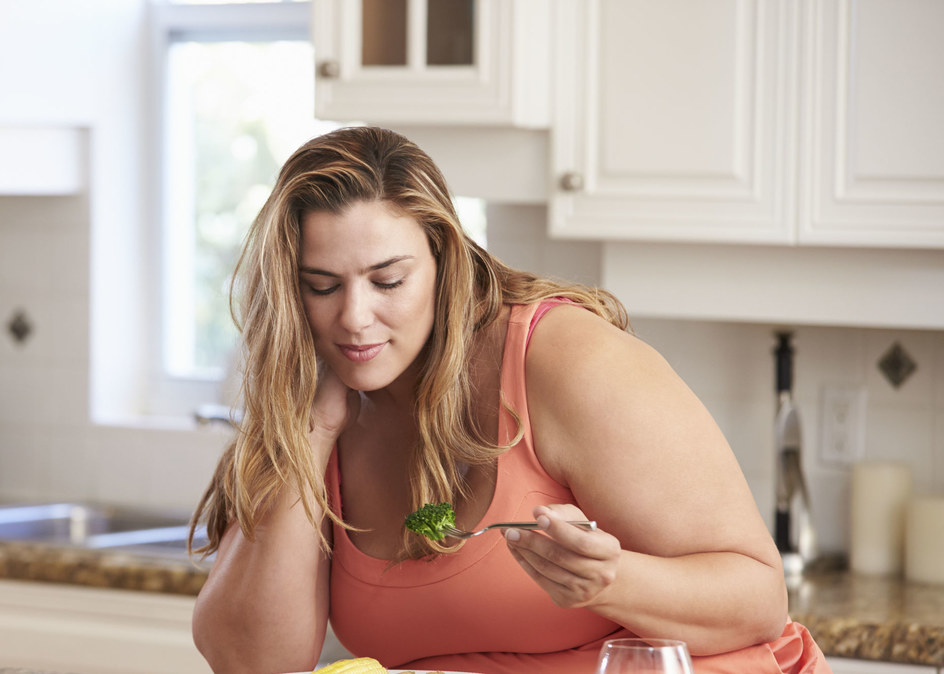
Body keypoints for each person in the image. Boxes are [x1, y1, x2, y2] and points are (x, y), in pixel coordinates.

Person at [188, 126, 829, 674]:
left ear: (445, 259)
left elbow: (759, 599)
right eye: (322, 286)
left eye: (388, 280)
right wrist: (310, 428)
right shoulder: (320, 398)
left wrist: (611, 579)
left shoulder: (563, 360)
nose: (355, 318)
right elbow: (253, 663)